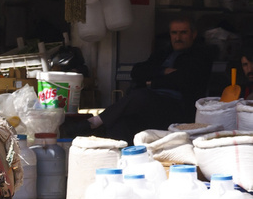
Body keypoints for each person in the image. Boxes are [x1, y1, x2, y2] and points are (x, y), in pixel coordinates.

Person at [64, 16, 213, 143]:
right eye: (174, 33)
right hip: (149, 107)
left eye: (183, 33)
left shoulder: (201, 54)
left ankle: (94, 122)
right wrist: (164, 71)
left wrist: (152, 82)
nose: (178, 37)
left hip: (176, 107)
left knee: (140, 96)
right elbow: (138, 71)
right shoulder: (164, 52)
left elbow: (184, 79)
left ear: (193, 34)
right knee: (120, 126)